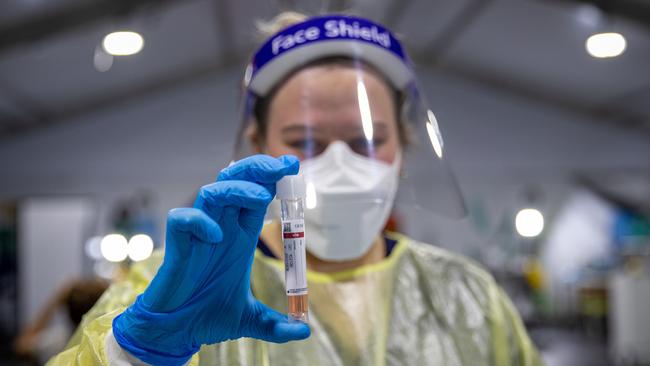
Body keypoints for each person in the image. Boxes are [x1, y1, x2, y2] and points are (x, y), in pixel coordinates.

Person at [48, 12, 541, 366]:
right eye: (304, 141)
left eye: (367, 140)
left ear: (404, 147)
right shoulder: (177, 285)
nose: (341, 165)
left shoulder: (465, 295)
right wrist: (134, 354)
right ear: (259, 146)